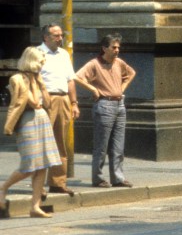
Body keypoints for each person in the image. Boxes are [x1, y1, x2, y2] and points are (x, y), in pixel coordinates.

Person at [2, 47, 62, 217]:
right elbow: (35, 102)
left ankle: (35, 206)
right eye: (41, 62)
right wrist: (36, 83)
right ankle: (3, 187)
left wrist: (42, 85)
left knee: (43, 165)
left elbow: (47, 103)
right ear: (32, 62)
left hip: (42, 120)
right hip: (27, 121)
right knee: (29, 165)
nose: (42, 66)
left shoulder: (37, 79)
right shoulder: (17, 79)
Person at [73, 34, 136, 188]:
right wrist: (93, 89)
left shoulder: (118, 62)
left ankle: (118, 178)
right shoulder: (94, 64)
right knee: (101, 145)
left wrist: (122, 88)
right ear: (104, 48)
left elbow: (131, 73)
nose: (117, 50)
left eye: (118, 47)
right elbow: (77, 77)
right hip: (104, 105)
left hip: (119, 104)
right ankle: (98, 178)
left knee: (118, 145)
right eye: (113, 47)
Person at [37, 23, 79, 195]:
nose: (60, 38)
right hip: (45, 100)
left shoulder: (63, 54)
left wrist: (74, 102)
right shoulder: (37, 54)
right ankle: (38, 186)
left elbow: (70, 80)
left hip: (63, 99)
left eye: (61, 35)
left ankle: (57, 182)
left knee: (60, 142)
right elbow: (32, 79)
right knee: (41, 143)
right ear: (46, 37)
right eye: (56, 35)